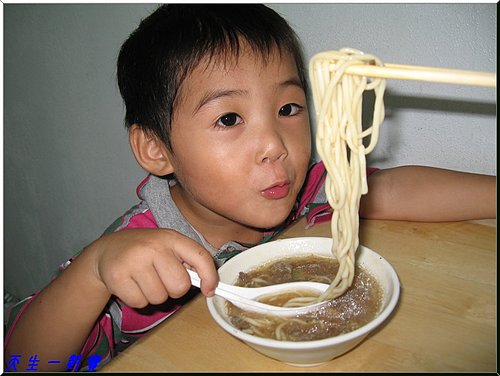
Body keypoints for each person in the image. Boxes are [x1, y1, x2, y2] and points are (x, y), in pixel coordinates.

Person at [4, 4, 495, 372]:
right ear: (157, 148)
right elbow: (20, 359)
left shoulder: (297, 194)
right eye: (230, 118)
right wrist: (95, 270)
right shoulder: (135, 254)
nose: (273, 146)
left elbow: (385, 189)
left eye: (287, 109)